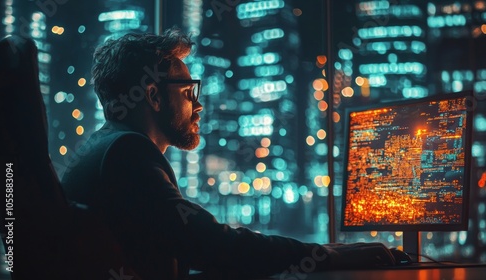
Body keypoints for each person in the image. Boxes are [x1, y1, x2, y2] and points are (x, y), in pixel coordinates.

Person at [61, 28, 395, 279]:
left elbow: (194, 244)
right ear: (154, 96)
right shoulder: (126, 153)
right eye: (189, 91)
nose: (199, 103)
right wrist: (324, 255)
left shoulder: (105, 147)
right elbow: (213, 245)